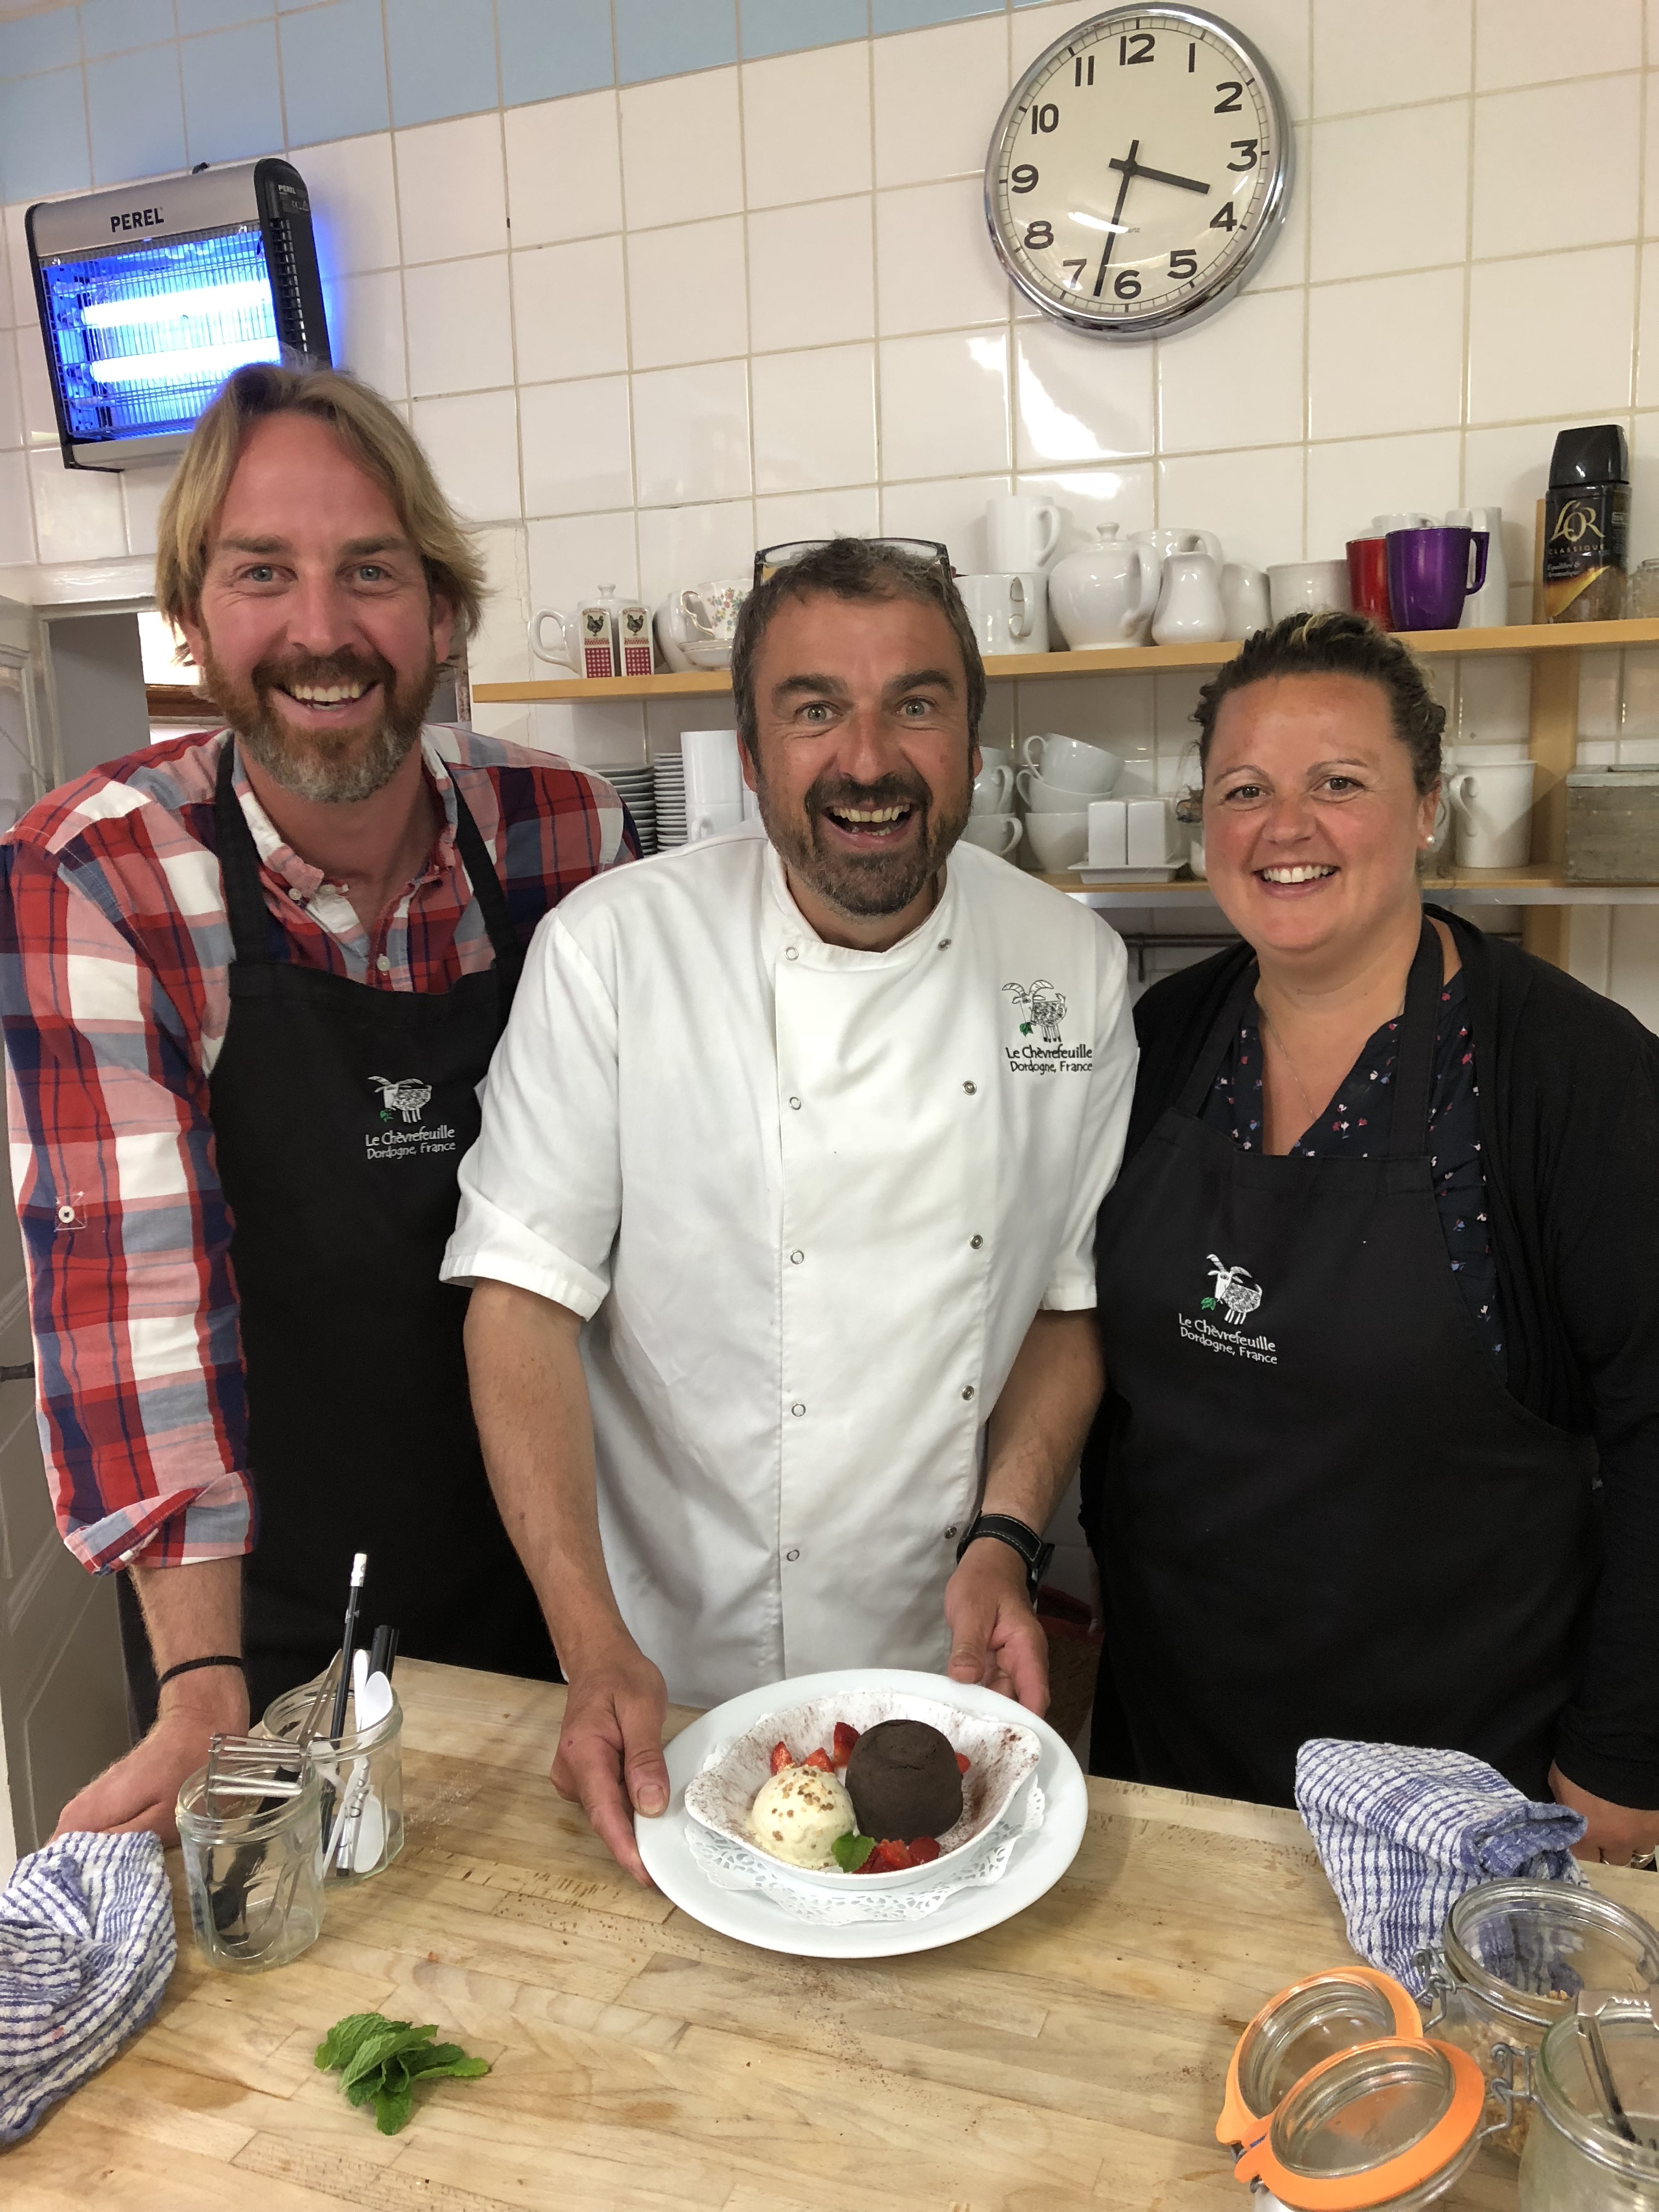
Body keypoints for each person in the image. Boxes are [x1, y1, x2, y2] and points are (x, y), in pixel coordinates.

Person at [0, 364, 633, 1840]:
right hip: (262, 1616)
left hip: (562, 1570)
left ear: (444, 612)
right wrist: (200, 1682)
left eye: (372, 572)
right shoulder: (100, 873)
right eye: (262, 573)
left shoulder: (563, 832)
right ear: (192, 616)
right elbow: (131, 1297)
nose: (322, 629)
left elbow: (639, 1203)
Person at [444, 537, 1137, 1881]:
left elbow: (1067, 1301)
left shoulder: (1072, 965)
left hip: (946, 1662)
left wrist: (1006, 1537)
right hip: (666, 1669)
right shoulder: (614, 952)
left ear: (975, 742)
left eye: (915, 705)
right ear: (751, 757)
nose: (867, 761)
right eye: (815, 709)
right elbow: (520, 1305)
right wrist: (591, 1646)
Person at [1082, 611, 1659, 1865]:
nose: (1284, 828)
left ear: (1427, 808)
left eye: (1339, 783)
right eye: (1245, 791)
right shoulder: (1164, 1040)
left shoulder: (1574, 1075)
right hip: (1174, 1737)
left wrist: (1625, 1752)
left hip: (1456, 1774)